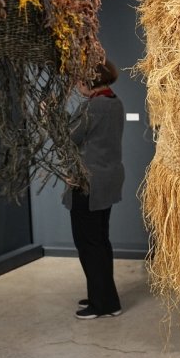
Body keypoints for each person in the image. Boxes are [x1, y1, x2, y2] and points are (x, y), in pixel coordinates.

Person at [64, 59, 125, 320]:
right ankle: (105, 297)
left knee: (88, 242)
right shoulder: (114, 101)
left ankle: (102, 304)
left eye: (80, 78)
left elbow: (69, 136)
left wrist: (51, 115)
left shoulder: (93, 106)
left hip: (89, 182)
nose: (77, 83)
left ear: (90, 80)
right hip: (106, 179)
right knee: (99, 240)